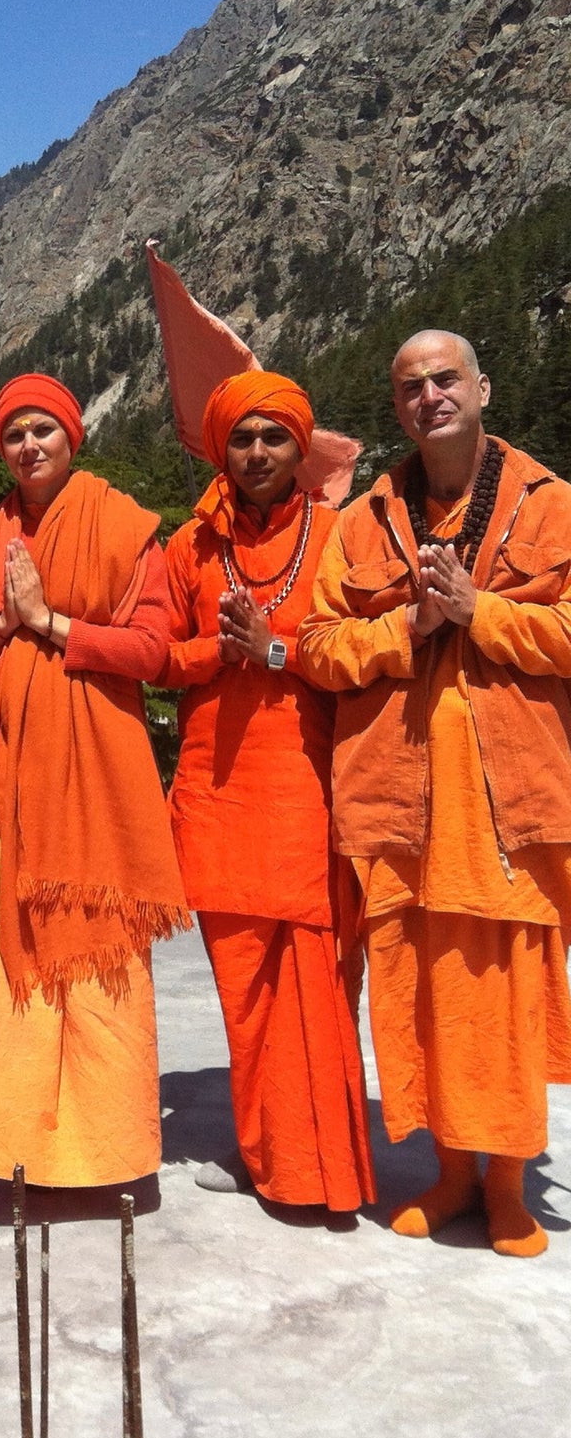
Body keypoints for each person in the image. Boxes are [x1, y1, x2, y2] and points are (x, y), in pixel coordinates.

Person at [299, 330, 571, 1257]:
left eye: (445, 377)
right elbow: (318, 647)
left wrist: (478, 612)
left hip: (509, 803)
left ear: (483, 387)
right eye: (410, 385)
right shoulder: (365, 521)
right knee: (419, 995)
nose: (430, 395)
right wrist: (406, 629)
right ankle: (451, 1173)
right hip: (398, 806)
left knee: (501, 991)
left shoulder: (552, 504)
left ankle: (506, 1184)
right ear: (397, 407)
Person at [0, 374, 187, 1190]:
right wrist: (2, 626)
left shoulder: (122, 527)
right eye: (14, 434)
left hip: (95, 772)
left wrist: (51, 624)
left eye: (43, 430)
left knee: (98, 952)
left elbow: (153, 651)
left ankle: (102, 1156)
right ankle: (8, 1149)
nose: (29, 446)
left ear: (71, 437)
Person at [159, 372, 375, 1212]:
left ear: (300, 447)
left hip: (310, 784)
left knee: (319, 982)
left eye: (273, 439)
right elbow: (160, 657)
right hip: (215, 791)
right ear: (221, 447)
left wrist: (277, 649)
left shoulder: (342, 533)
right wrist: (220, 651)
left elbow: (366, 646)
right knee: (242, 989)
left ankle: (325, 1167)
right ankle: (272, 1156)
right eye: (242, 439)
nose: (257, 454)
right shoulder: (189, 546)